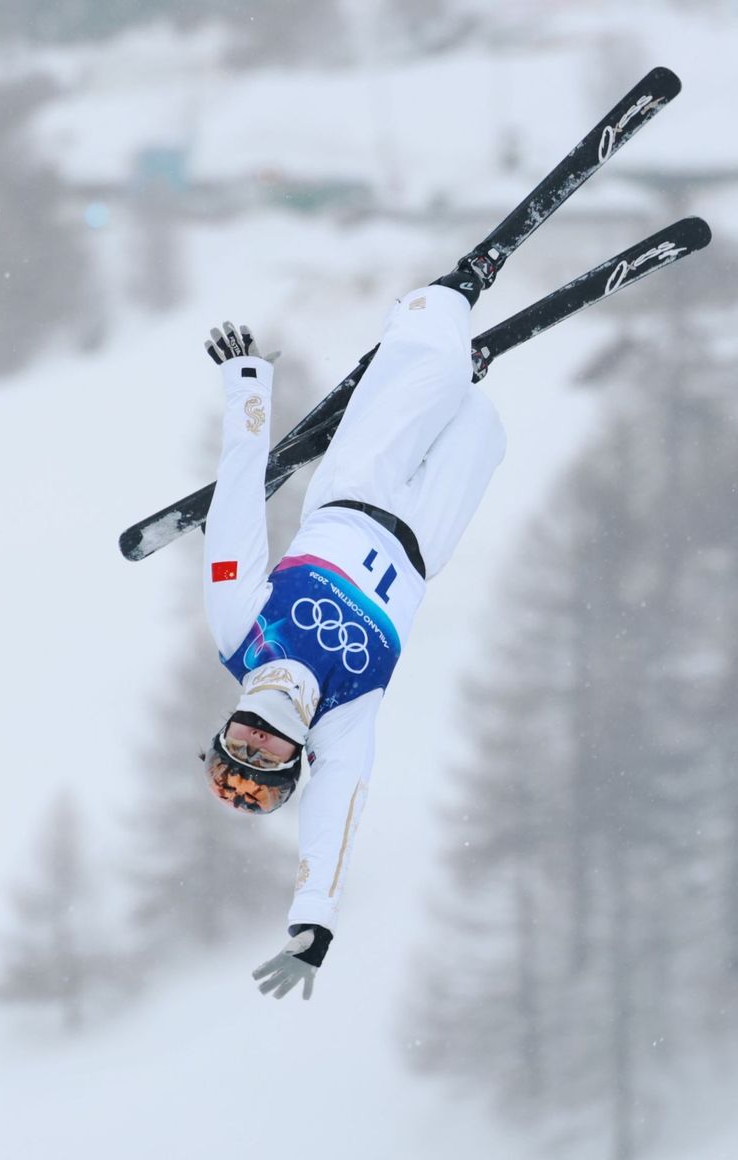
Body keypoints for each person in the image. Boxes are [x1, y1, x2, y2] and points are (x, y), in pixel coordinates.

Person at [200, 264, 503, 1001]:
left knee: (429, 352)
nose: (258, 740)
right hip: (428, 533)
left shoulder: (240, 631)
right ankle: (446, 368)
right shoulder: (344, 719)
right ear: (296, 758)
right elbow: (334, 815)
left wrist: (246, 390)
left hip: (356, 489)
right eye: (266, 758)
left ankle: (450, 289)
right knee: (483, 424)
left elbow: (238, 501)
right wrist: (315, 921)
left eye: (239, 744)